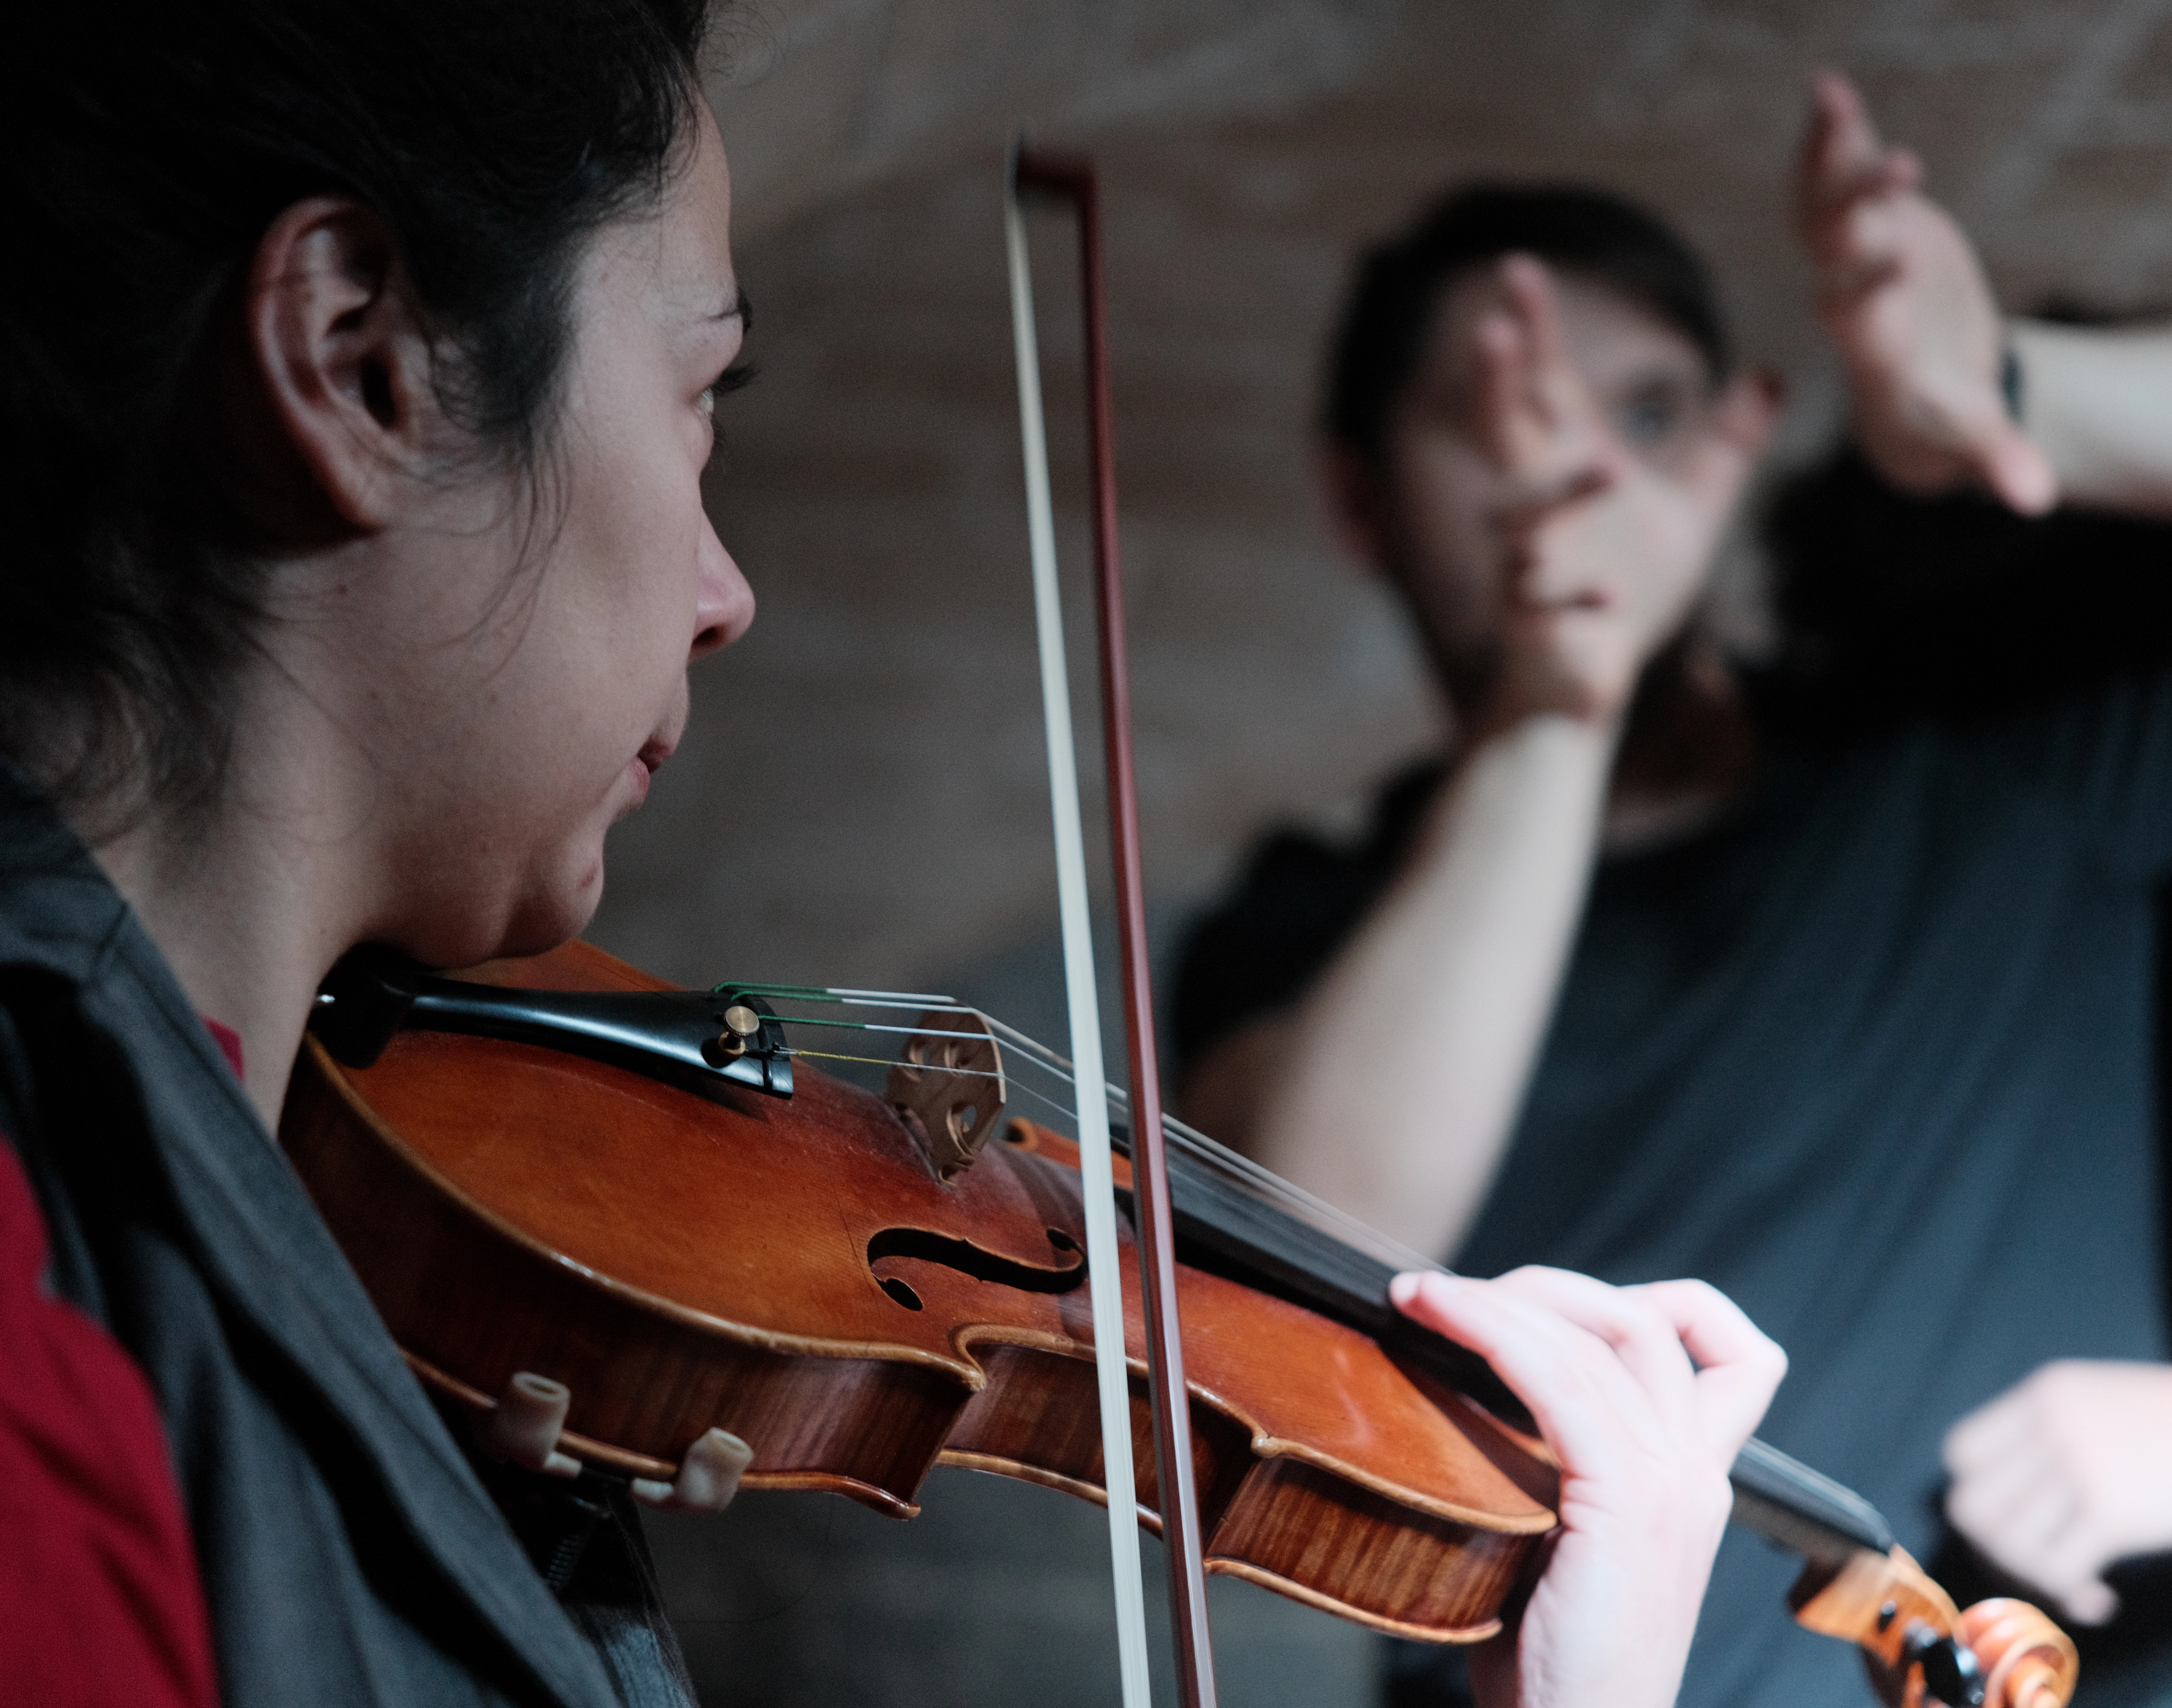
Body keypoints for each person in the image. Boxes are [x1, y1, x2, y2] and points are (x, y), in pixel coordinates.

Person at [0, 4, 1786, 1707]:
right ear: (360, 365)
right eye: (702, 396)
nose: (728, 595)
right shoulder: (34, 1378)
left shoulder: (198, 1222)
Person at [1172, 73, 2172, 1707]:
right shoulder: (1312, 924)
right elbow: (1322, 1232)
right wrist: (1562, 701)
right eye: (1488, 424)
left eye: (1642, 416)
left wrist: (2017, 391)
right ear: (1358, 499)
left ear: (1740, 436)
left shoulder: (1960, 753)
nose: (1572, 473)